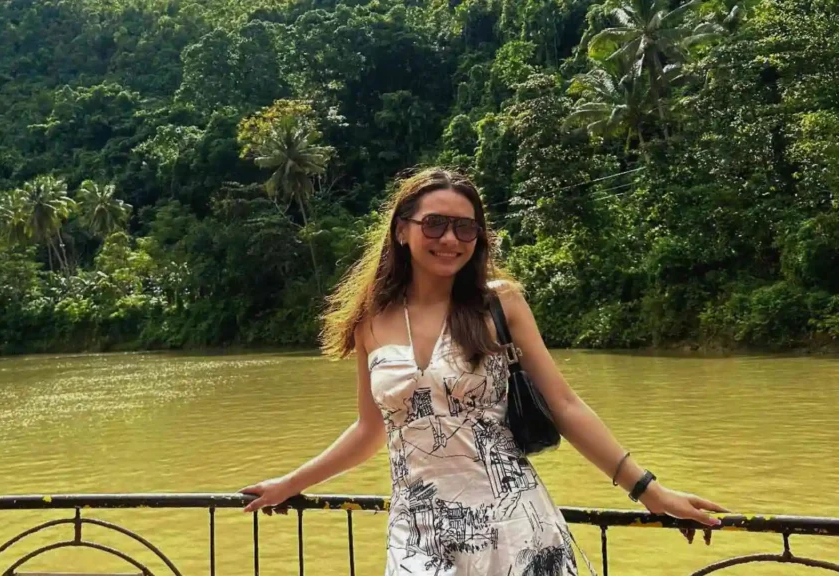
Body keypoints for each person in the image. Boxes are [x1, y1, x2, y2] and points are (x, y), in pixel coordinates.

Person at [240, 168, 726, 575]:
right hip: (418, 530)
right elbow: (372, 431)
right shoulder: (373, 319)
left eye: (465, 228)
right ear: (402, 230)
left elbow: (563, 404)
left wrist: (649, 490)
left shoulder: (500, 303)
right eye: (434, 224)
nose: (450, 239)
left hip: (515, 523)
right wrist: (291, 483)